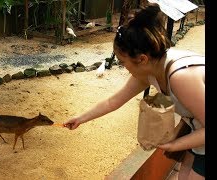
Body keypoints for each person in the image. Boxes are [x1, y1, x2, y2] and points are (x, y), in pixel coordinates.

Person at [63, 3, 205, 179]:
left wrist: (174, 145)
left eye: (123, 63)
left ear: (142, 59)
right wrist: (80, 118)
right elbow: (113, 102)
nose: (124, 68)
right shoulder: (151, 68)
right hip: (198, 128)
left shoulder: (180, 77)